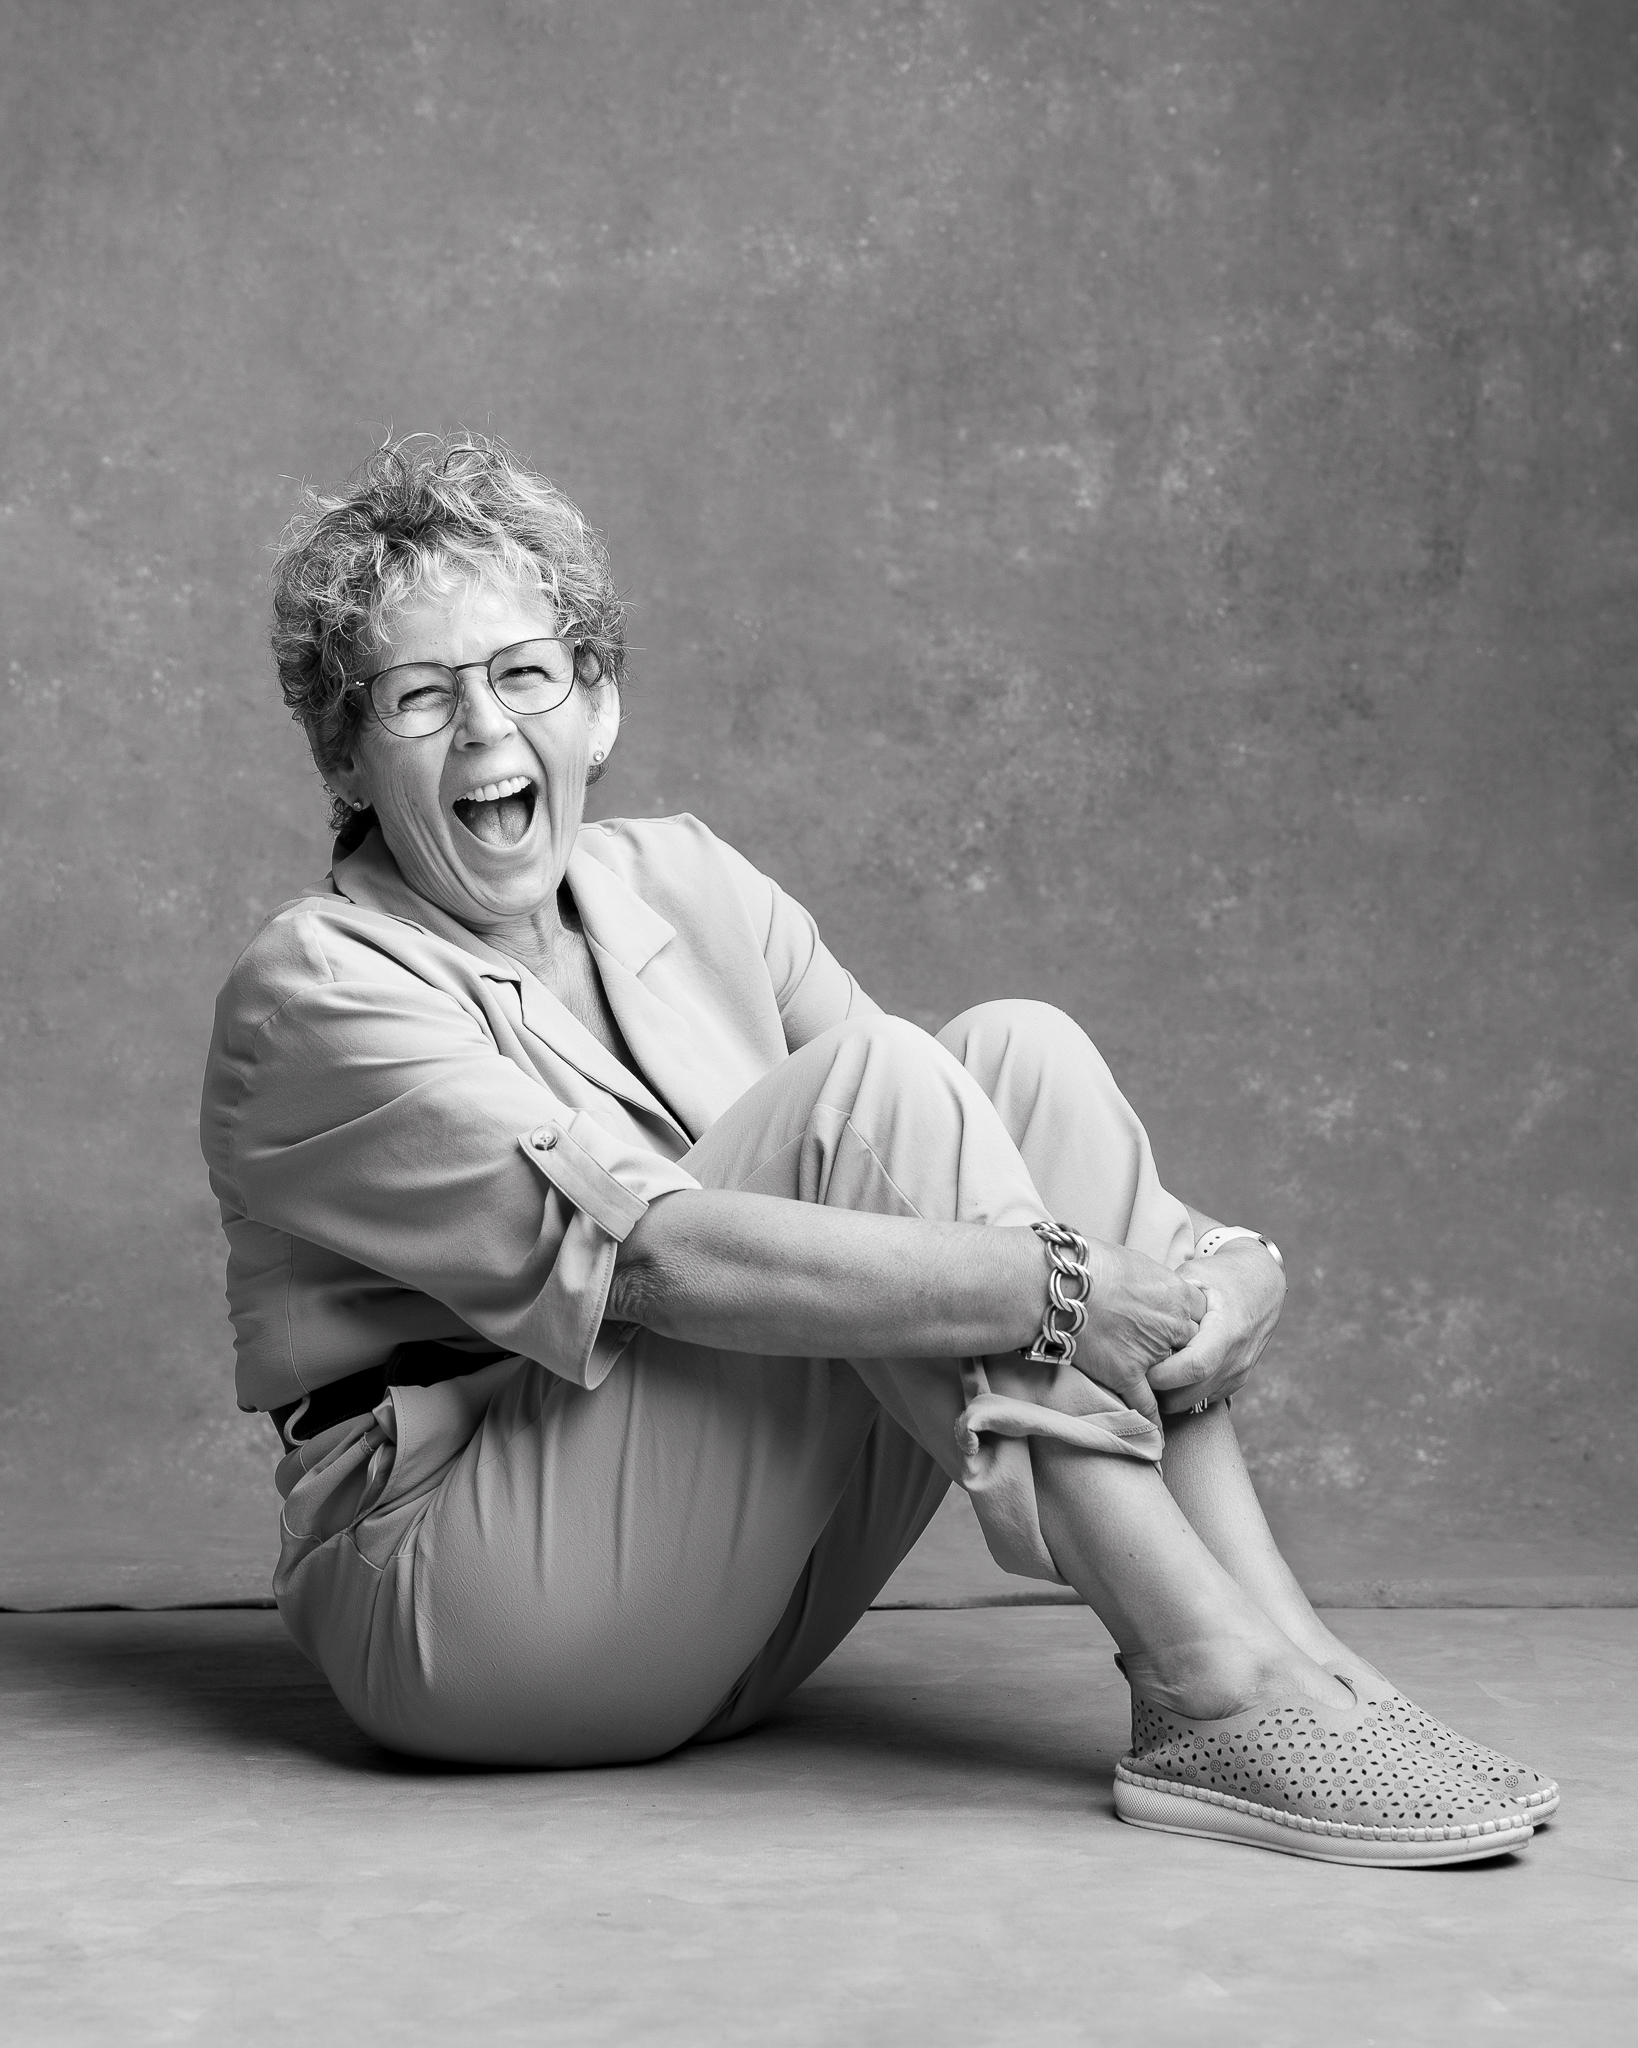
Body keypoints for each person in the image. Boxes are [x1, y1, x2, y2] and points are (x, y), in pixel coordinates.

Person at [201, 433, 1553, 1865]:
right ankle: (1208, 1679)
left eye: (525, 673)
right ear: (346, 754)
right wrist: (1066, 1289)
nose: (485, 731)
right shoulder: (315, 989)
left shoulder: (686, 880)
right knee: (882, 1090)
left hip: (733, 1595)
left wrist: (1221, 1267)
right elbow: (652, 1260)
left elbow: (964, 1139)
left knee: (1015, 1050)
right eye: (420, 696)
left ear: (596, 705)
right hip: (479, 1609)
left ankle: (1293, 1653)